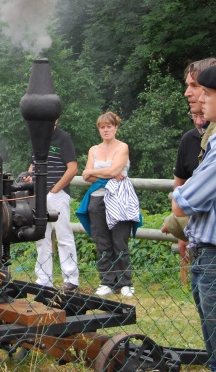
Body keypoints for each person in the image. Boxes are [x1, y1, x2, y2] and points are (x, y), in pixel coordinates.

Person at [172, 65, 216, 372]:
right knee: (208, 318)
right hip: (201, 244)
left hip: (212, 248)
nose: (196, 95)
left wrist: (184, 195)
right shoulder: (201, 139)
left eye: (205, 91)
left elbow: (187, 198)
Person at [76, 112, 140, 298]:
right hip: (96, 198)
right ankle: (106, 281)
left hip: (119, 199)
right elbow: (86, 175)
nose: (106, 130)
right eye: (102, 127)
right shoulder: (93, 150)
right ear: (99, 129)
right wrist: (109, 173)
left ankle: (125, 282)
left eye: (109, 126)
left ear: (116, 127)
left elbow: (112, 170)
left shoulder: (123, 147)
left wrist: (99, 171)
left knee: (119, 241)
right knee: (102, 241)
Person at [162, 58, 216, 253]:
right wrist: (183, 226)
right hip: (199, 240)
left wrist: (180, 217)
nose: (187, 93)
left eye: (194, 85)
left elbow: (184, 200)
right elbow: (180, 183)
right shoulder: (195, 137)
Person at [24, 121, 79, 293]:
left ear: (55, 119)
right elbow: (33, 164)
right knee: (41, 236)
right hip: (38, 195)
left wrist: (55, 189)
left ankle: (71, 280)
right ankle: (43, 279)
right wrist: (29, 177)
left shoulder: (63, 138)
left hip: (58, 195)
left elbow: (73, 168)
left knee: (63, 236)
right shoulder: (37, 138)